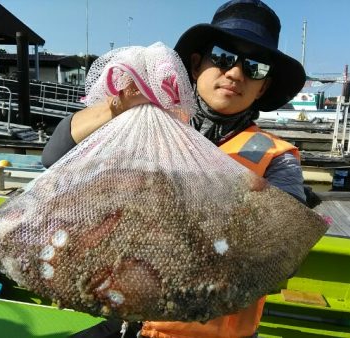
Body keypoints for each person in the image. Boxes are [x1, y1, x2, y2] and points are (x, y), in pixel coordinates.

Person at [44, 1, 307, 337]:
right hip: (131, 321)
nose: (235, 73)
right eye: (223, 57)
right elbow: (55, 156)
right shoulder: (150, 127)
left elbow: (282, 255)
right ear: (196, 65)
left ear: (264, 87)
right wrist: (118, 107)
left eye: (254, 67)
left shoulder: (277, 158)